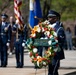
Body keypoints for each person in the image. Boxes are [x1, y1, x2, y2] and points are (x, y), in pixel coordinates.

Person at [47, 10, 66, 75]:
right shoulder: (47, 28)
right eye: (48, 17)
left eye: (50, 17)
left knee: (54, 71)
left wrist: (55, 45)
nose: (49, 19)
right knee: (50, 71)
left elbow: (62, 42)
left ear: (55, 18)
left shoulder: (59, 28)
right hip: (48, 53)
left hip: (56, 53)